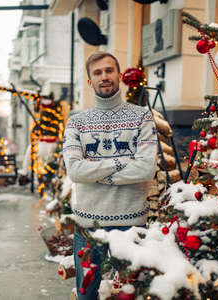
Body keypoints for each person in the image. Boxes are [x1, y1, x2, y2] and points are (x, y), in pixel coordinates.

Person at [62, 52, 158, 299]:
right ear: (89, 81)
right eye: (97, 72)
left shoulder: (142, 117)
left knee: (130, 294)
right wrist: (123, 161)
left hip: (131, 225)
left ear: (119, 75)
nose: (104, 77)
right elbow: (74, 170)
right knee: (86, 295)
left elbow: (146, 168)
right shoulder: (76, 123)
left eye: (109, 70)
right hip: (88, 226)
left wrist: (93, 170)